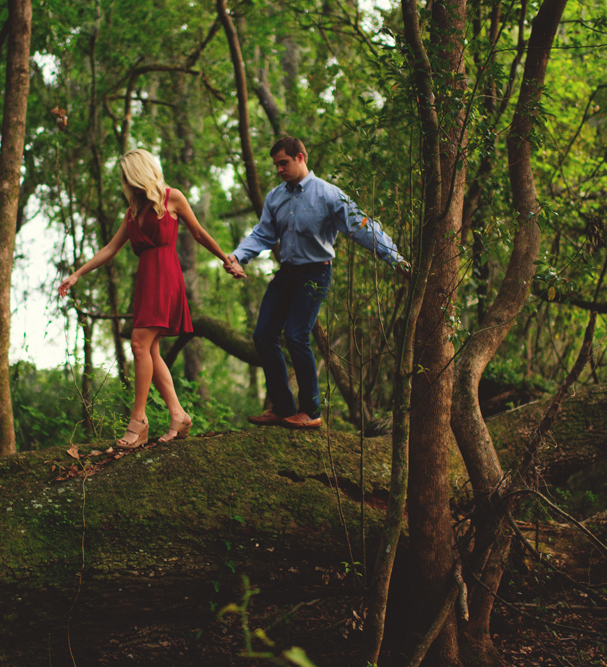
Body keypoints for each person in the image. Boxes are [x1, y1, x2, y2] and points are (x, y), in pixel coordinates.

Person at [58, 149, 246, 449]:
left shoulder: (172, 198)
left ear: (139, 173)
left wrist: (226, 259)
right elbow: (110, 248)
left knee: (138, 343)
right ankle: (179, 415)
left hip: (166, 275)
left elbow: (197, 233)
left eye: (127, 176)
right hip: (146, 280)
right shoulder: (133, 211)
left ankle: (139, 421)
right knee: (150, 350)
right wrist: (77, 274)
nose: (125, 183)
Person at [225, 136, 408, 429]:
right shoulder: (275, 197)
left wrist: (394, 257)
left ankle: (311, 411)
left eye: (283, 163)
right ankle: (282, 407)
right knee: (263, 334)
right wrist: (237, 256)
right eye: (276, 165)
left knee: (296, 334)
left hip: (316, 273)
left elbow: (361, 226)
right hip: (287, 273)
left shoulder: (328, 194)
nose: (279, 170)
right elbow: (262, 234)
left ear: (300, 157)